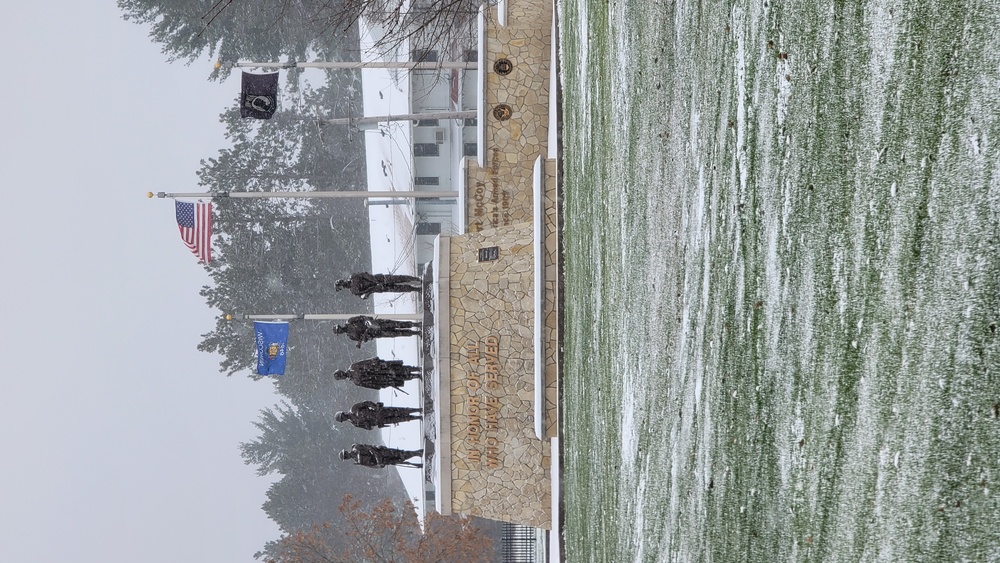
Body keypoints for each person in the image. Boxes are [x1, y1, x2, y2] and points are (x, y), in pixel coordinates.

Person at [332, 358, 421, 390]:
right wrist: (378, 386)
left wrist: (374, 361)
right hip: (379, 379)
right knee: (398, 378)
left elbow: (365, 362)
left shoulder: (353, 367)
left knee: (398, 369)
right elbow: (368, 385)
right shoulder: (355, 382)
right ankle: (415, 376)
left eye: (340, 374)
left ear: (341, 371)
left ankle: (416, 369)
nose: (342, 376)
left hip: (379, 369)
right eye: (340, 378)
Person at [333, 315, 421, 348]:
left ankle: (415, 325)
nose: (340, 331)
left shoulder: (350, 321)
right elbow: (364, 339)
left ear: (339, 327)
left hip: (377, 324)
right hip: (376, 333)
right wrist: (365, 337)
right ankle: (415, 333)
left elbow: (362, 317)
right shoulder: (351, 336)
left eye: (339, 330)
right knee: (396, 333)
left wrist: (368, 322)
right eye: (338, 332)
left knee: (396, 324)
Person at [335, 401, 421, 430]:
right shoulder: (354, 423)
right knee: (399, 419)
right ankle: (416, 417)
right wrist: (367, 425)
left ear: (343, 412)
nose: (344, 418)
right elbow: (368, 428)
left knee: (400, 411)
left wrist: (375, 407)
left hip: (379, 412)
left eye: (342, 416)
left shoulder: (354, 408)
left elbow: (366, 403)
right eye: (343, 419)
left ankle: (417, 410)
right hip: (379, 421)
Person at [335, 272, 422, 299]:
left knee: (400, 279)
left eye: (341, 285)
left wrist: (376, 281)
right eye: (341, 288)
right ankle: (417, 289)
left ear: (342, 282)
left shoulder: (353, 277)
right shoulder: (353, 291)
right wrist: (368, 293)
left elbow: (365, 275)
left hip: (380, 279)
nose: (343, 286)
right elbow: (364, 294)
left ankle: (416, 279)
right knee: (399, 288)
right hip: (379, 288)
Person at [339, 444, 423, 469]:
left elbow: (369, 448)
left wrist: (376, 455)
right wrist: (379, 465)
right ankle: (416, 454)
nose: (347, 456)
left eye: (346, 454)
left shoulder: (356, 448)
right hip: (383, 460)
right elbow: (370, 465)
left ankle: (417, 453)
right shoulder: (358, 461)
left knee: (400, 454)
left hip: (381, 452)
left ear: (346, 451)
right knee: (400, 460)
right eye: (346, 457)